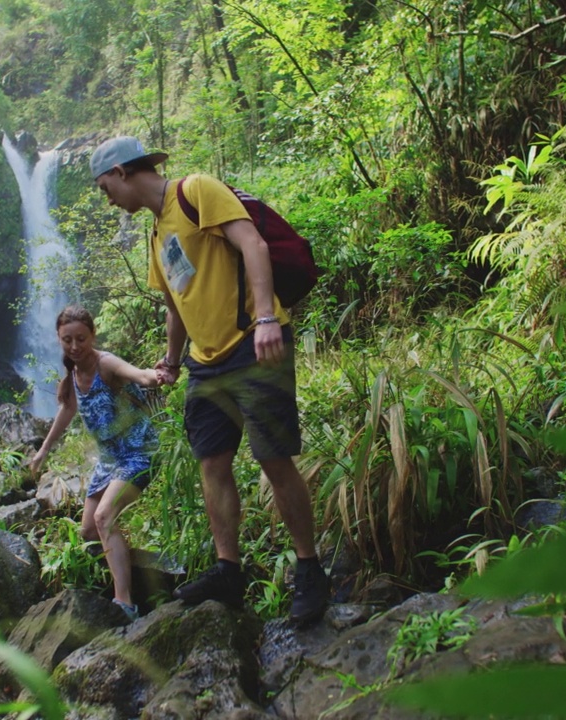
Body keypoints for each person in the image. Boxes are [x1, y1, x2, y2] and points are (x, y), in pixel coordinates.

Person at [87, 136, 329, 627]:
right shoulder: (155, 236)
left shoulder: (196, 191)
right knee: (212, 464)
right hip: (205, 362)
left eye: (104, 186)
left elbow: (252, 243)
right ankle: (228, 570)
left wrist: (265, 318)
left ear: (120, 171)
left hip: (252, 341)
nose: (106, 197)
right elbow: (178, 303)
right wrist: (172, 362)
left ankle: (309, 569)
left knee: (274, 459)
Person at [29, 304, 164, 621]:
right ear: (59, 339)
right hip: (109, 463)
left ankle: (125, 604)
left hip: (139, 452)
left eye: (80, 339)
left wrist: (157, 374)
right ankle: (130, 562)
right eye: (67, 340)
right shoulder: (75, 374)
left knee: (103, 517)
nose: (74, 347)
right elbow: (66, 411)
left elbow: (139, 375)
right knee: (90, 530)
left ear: (93, 335)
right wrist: (43, 450)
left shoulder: (106, 364)